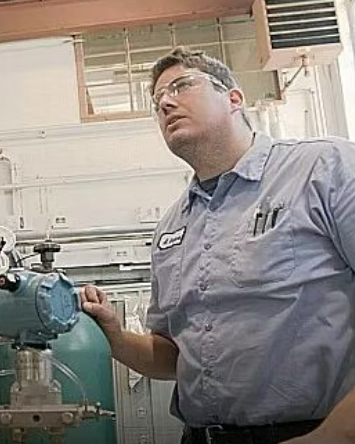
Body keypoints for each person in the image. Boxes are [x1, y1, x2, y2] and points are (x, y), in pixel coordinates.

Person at [80, 47, 355, 444]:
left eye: (181, 86)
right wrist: (116, 337)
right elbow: (173, 356)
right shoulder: (172, 226)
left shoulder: (325, 169)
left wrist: (337, 434)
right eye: (157, 102)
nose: (166, 103)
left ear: (234, 98)